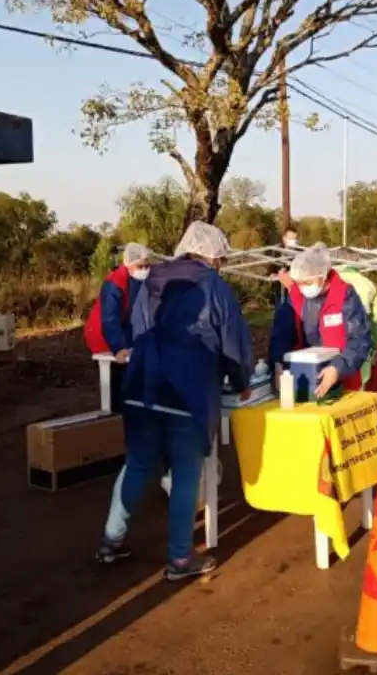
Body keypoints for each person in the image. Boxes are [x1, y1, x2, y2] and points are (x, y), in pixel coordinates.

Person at [96, 221, 253, 580]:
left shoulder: (151, 280)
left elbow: (137, 332)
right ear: (213, 257)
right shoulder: (215, 287)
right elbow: (233, 342)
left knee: (136, 465)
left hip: (140, 387)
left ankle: (111, 540)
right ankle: (180, 559)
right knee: (186, 475)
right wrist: (242, 380)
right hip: (186, 393)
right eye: (221, 259)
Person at [269, 244, 373, 397]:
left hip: (344, 381)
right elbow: (282, 334)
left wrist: (338, 367)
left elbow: (359, 338)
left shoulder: (345, 296)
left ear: (323, 277)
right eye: (299, 283)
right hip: (304, 377)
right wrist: (277, 363)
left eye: (308, 283)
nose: (302, 287)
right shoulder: (295, 298)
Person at [83, 242, 151, 409]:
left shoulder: (137, 279)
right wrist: (118, 346)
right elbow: (109, 319)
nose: (145, 269)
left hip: (121, 329)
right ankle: (113, 416)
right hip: (101, 335)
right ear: (129, 265)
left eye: (147, 265)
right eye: (141, 266)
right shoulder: (114, 284)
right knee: (116, 376)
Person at [332, 246, 377, 386]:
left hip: (329, 349)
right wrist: (373, 345)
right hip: (360, 347)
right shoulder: (368, 285)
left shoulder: (327, 282)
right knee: (357, 393)